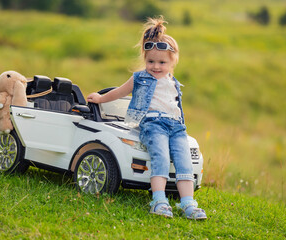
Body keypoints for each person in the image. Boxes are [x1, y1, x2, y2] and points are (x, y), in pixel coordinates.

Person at [87, 16, 207, 220]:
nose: (156, 66)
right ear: (145, 59)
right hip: (153, 124)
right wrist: (100, 98)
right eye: (151, 61)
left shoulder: (173, 82)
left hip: (176, 127)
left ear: (172, 62)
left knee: (183, 160)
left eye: (162, 62)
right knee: (159, 157)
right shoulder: (140, 78)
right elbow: (120, 92)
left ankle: (188, 203)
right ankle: (159, 201)